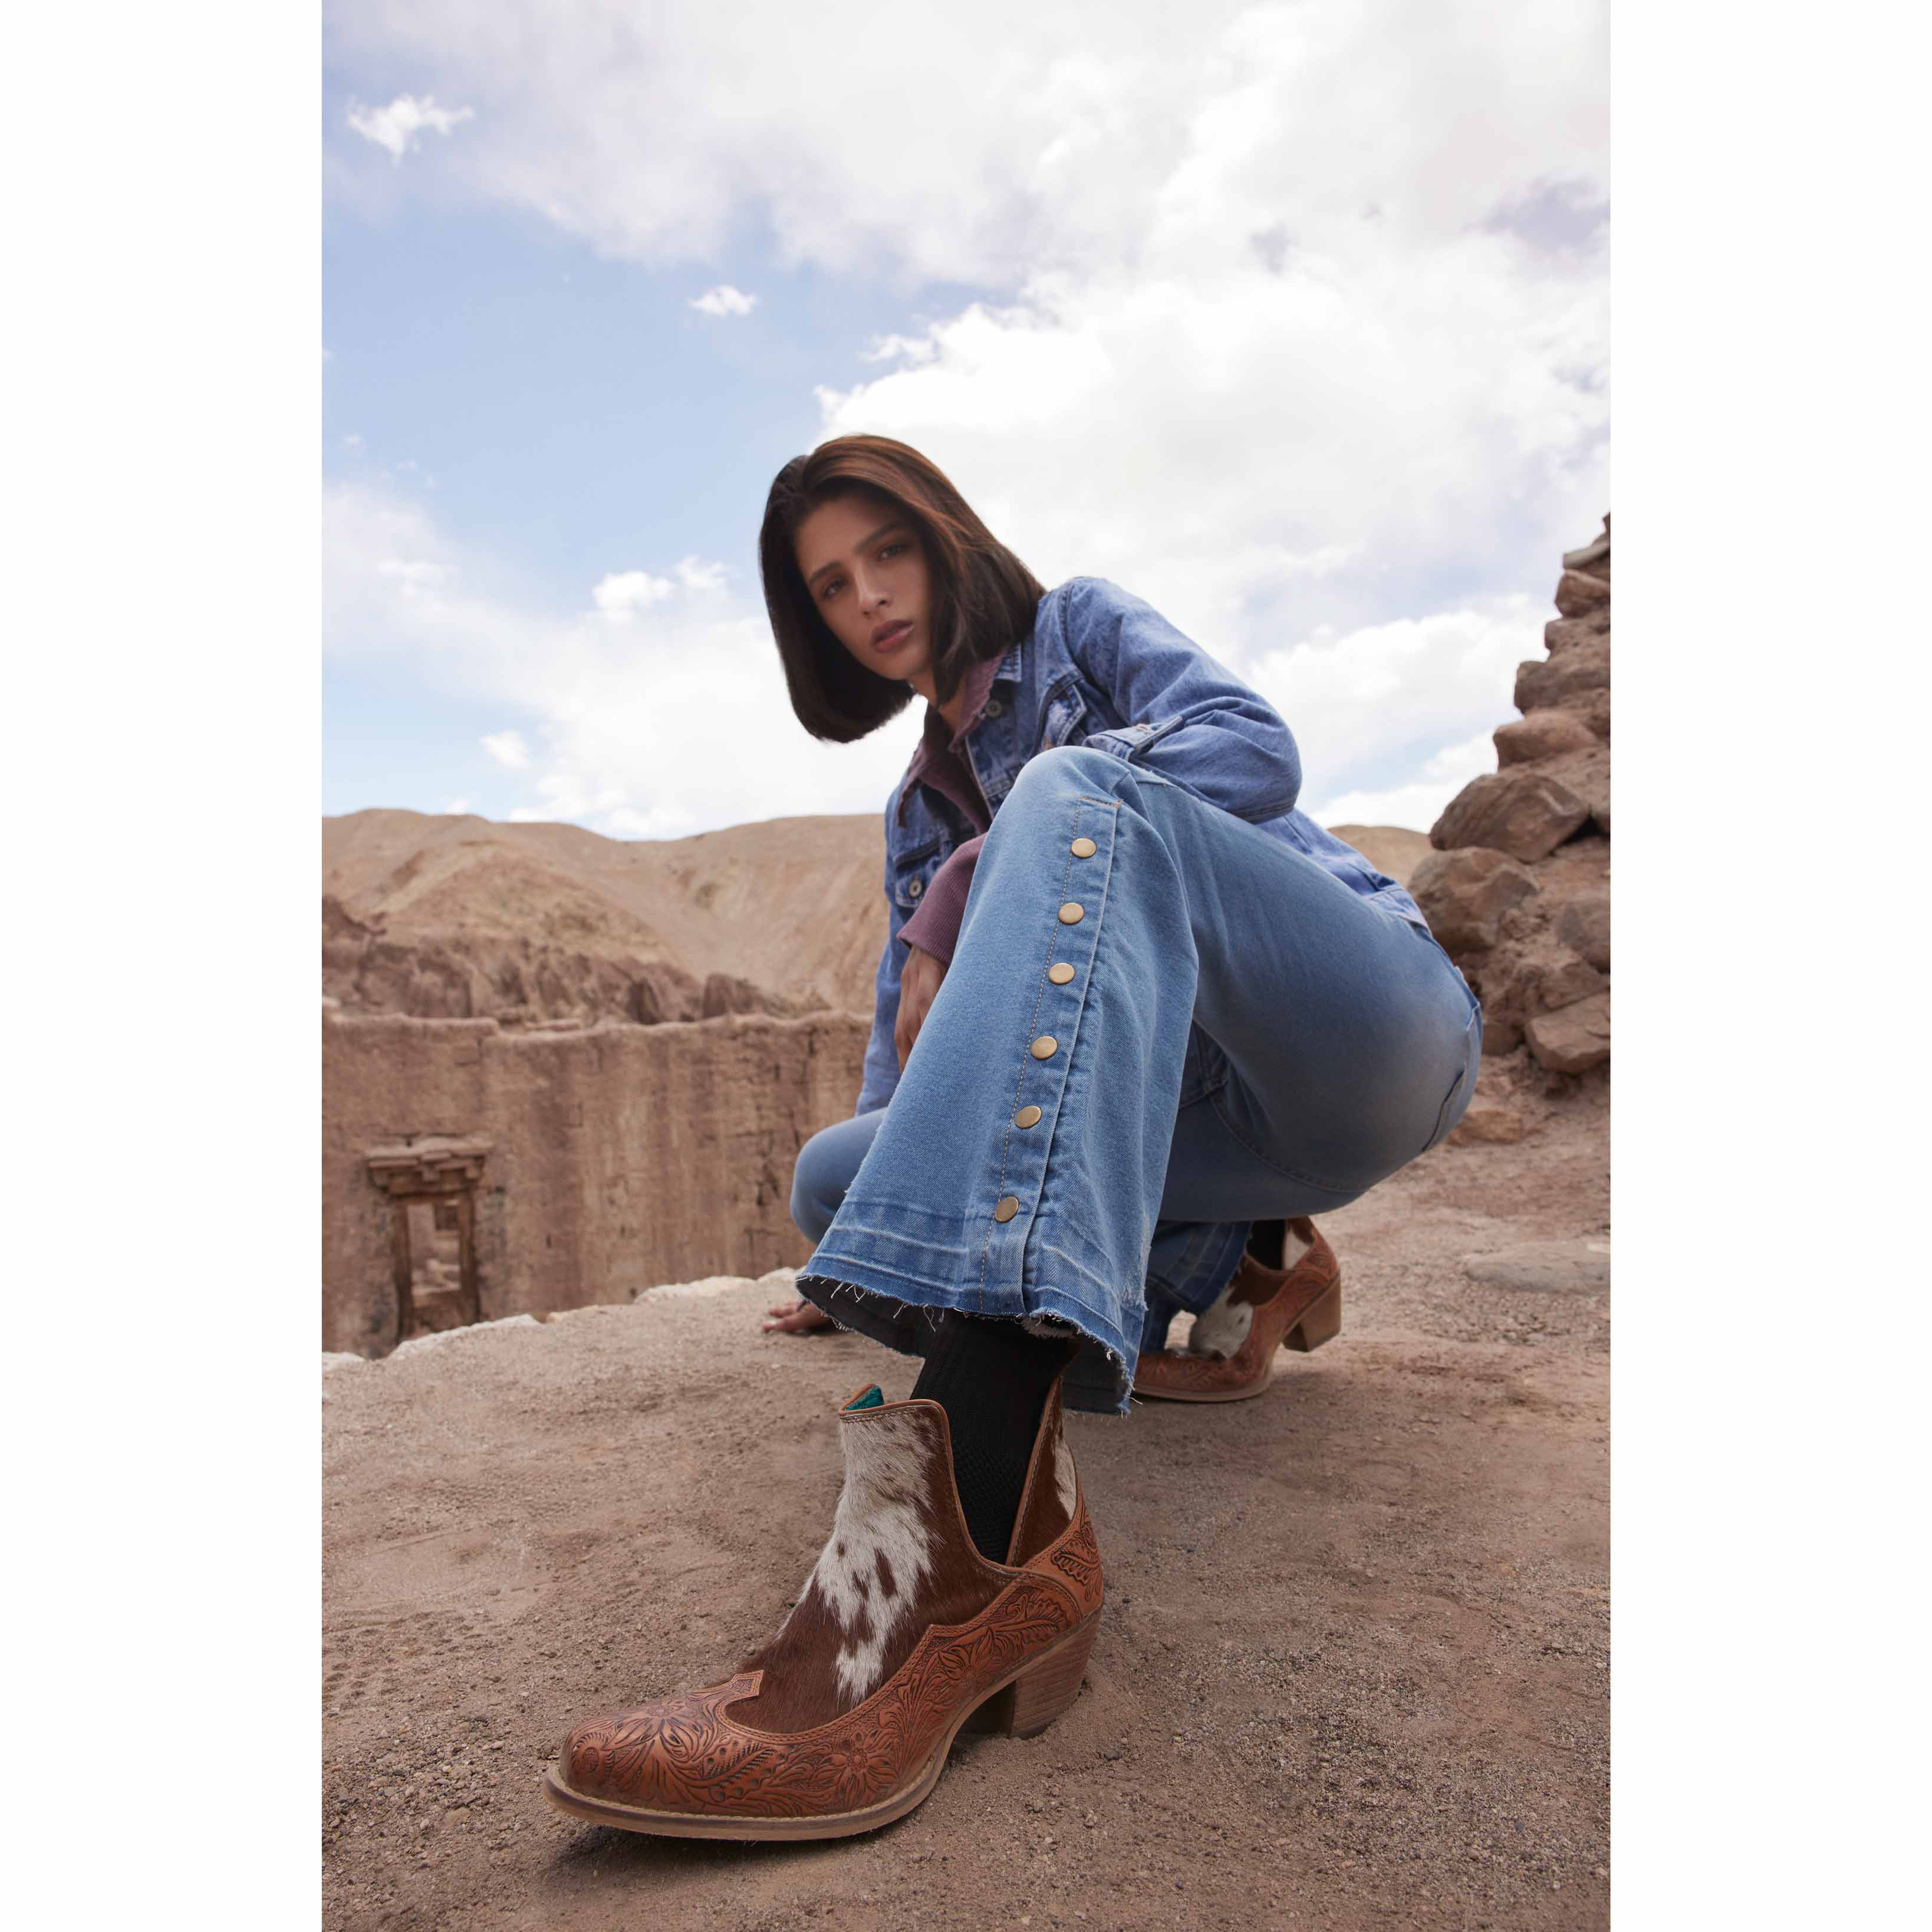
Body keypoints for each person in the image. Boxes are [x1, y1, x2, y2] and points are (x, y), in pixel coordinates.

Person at [542, 435, 1481, 1841]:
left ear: (945, 536)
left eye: (887, 552)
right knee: (836, 1179)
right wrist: (848, 1255)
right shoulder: (914, 798)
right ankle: (1243, 1258)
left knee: (1068, 795)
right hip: (1188, 1123)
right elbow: (903, 1056)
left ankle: (966, 1543)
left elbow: (1255, 748)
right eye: (830, 586)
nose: (867, 597)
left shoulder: (1079, 631)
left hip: (1362, 1034)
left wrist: (978, 872)